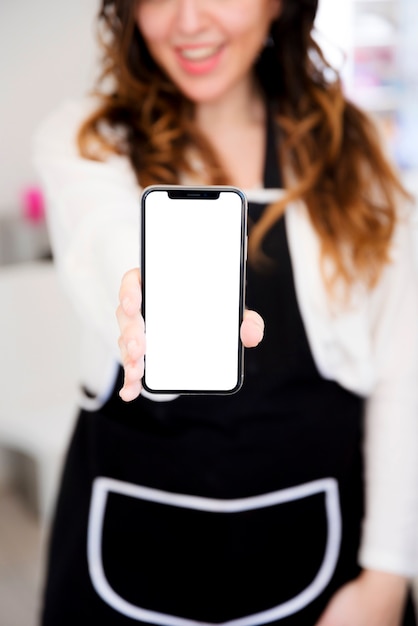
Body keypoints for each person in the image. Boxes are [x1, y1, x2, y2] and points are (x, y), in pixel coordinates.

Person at [33, 0, 418, 624]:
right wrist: (136, 292)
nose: (187, 21)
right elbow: (101, 238)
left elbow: (403, 372)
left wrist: (386, 577)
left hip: (324, 560)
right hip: (125, 555)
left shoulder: (357, 150)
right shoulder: (87, 139)